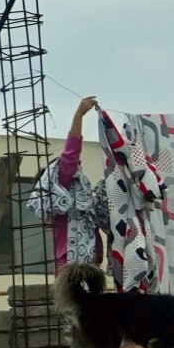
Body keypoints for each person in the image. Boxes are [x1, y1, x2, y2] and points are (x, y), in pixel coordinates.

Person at [31, 96, 109, 272]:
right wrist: (78, 116)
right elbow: (70, 154)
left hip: (90, 260)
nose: (79, 170)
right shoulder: (62, 186)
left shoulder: (81, 198)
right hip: (71, 262)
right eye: (75, 167)